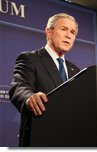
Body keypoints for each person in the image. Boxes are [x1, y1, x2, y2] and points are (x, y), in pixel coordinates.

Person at [9, 13, 80, 146]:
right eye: (63, 29)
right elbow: (19, 87)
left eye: (73, 32)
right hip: (40, 139)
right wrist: (29, 98)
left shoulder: (74, 70)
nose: (69, 35)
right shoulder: (30, 58)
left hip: (69, 140)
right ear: (49, 32)